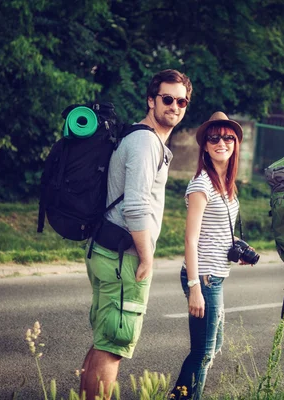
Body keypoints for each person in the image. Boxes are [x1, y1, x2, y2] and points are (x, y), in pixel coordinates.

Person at [79, 69, 193, 399]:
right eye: (167, 99)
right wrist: (147, 258)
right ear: (151, 100)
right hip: (123, 257)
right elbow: (137, 205)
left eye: (181, 101)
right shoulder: (145, 142)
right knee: (113, 345)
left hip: (107, 251)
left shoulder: (140, 137)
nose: (174, 106)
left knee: (104, 340)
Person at [170, 112, 252, 400]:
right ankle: (182, 397)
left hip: (215, 274)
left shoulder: (226, 185)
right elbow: (190, 239)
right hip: (202, 277)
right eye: (214, 138)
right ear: (205, 145)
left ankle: (178, 395)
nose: (222, 142)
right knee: (203, 353)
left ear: (235, 144)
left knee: (213, 348)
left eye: (228, 137)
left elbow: (215, 232)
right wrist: (194, 289)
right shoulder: (201, 185)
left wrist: (237, 249)